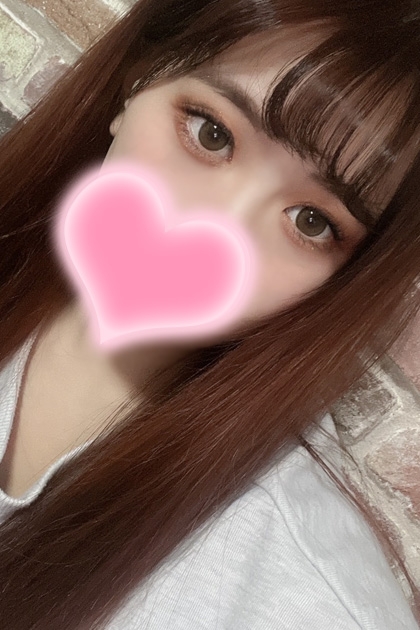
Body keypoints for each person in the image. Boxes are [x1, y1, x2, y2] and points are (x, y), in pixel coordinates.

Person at [0, 0, 419, 627]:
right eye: (212, 134)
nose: (216, 233)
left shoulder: (297, 597)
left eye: (312, 222)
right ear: (138, 81)